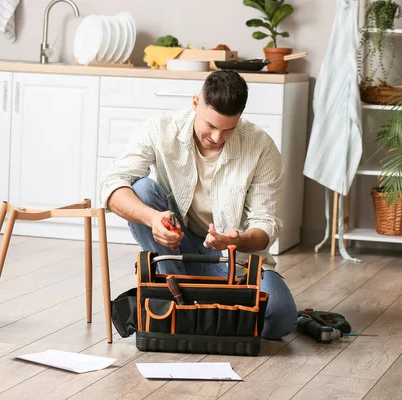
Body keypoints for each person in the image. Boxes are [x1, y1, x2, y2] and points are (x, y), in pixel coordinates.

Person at [98, 70, 297, 340]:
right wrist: (151, 219)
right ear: (195, 103)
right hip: (176, 254)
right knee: (141, 189)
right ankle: (184, 296)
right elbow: (111, 184)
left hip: (232, 263)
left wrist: (235, 240)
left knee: (281, 316)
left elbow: (265, 225)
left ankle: (190, 312)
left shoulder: (261, 147)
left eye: (228, 129)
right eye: (210, 126)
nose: (217, 137)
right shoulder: (161, 129)